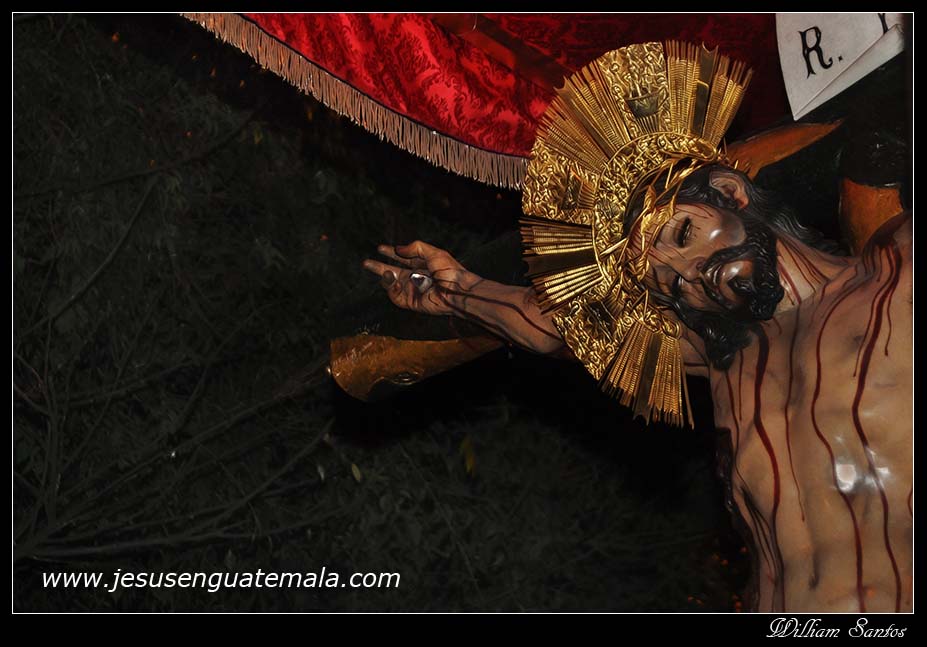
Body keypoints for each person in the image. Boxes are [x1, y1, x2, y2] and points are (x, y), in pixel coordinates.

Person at [361, 41, 912, 612]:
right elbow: (550, 328)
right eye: (666, 281)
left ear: (730, 193)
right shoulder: (726, 361)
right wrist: (457, 289)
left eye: (683, 234)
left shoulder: (897, 276)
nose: (690, 274)